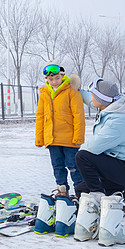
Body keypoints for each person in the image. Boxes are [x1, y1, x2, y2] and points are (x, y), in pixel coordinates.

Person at [74, 78, 125, 246]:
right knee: (81, 190)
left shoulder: (118, 121)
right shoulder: (111, 106)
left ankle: (99, 201)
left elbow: (90, 149)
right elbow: (91, 98)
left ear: (101, 100)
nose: (91, 99)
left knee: (82, 156)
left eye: (94, 95)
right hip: (122, 166)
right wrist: (77, 90)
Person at [34, 60, 85, 237]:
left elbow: (79, 115)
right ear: (47, 79)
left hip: (69, 139)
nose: (54, 81)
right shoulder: (44, 93)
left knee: (73, 166)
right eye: (51, 79)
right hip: (52, 139)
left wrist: (78, 137)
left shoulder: (72, 92)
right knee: (57, 167)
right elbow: (40, 116)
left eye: (57, 78)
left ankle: (80, 195)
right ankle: (62, 193)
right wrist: (40, 137)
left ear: (62, 76)